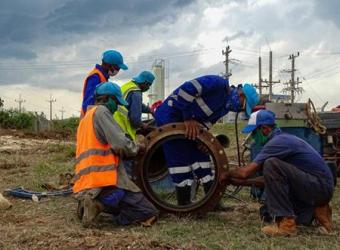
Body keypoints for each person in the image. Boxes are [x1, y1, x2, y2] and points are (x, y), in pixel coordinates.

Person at [221, 110, 334, 236]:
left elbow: (245, 173)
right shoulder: (283, 139)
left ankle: (287, 224)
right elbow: (271, 180)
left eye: (254, 132)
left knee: (271, 163)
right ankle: (317, 211)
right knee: (267, 213)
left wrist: (227, 174)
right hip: (318, 187)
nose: (253, 137)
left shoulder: (277, 142)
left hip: (319, 187)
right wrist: (243, 182)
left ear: (264, 129)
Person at [154, 75, 259, 205]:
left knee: (202, 158)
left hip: (191, 128)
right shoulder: (217, 83)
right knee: (179, 162)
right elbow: (186, 89)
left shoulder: (224, 107)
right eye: (243, 106)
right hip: (170, 117)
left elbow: (206, 123)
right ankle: (185, 205)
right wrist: (188, 118)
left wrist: (204, 140)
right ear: (241, 94)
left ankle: (212, 203)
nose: (239, 109)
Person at [74, 82, 158, 227]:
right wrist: (137, 147)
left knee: (124, 203)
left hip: (88, 183)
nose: (117, 107)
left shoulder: (86, 118)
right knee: (149, 211)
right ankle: (97, 205)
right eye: (116, 102)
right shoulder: (101, 112)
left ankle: (88, 204)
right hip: (105, 180)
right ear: (106, 98)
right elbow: (121, 144)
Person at [81, 50, 128, 117]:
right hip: (91, 118)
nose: (118, 71)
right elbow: (89, 104)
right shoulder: (95, 77)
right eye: (117, 68)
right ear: (109, 65)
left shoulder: (103, 77)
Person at [117, 71, 155, 135]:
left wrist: (149, 110)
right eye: (149, 85)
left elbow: (137, 104)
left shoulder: (128, 86)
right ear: (145, 83)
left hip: (113, 120)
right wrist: (142, 125)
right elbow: (135, 120)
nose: (148, 88)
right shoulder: (136, 93)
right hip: (122, 125)